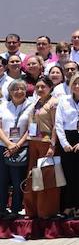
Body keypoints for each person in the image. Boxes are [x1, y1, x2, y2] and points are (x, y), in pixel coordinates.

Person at [55, 73, 79, 218]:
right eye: (74, 84)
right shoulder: (63, 100)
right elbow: (58, 123)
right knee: (67, 174)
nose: (77, 86)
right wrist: (64, 143)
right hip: (67, 138)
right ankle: (68, 205)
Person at [23, 77, 60, 219]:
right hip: (34, 142)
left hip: (46, 143)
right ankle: (32, 210)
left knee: (46, 178)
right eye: (37, 87)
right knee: (32, 176)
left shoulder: (53, 103)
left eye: (43, 86)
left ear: (50, 87)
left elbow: (56, 125)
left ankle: (45, 211)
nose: (39, 89)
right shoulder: (36, 102)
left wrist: (52, 145)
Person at [0, 79, 31, 219]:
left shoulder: (31, 106)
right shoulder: (3, 106)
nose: (18, 92)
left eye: (21, 89)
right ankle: (1, 208)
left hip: (22, 148)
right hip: (3, 147)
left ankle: (16, 209)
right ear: (10, 92)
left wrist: (17, 145)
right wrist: (9, 144)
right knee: (2, 179)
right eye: (15, 89)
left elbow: (31, 128)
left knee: (18, 180)